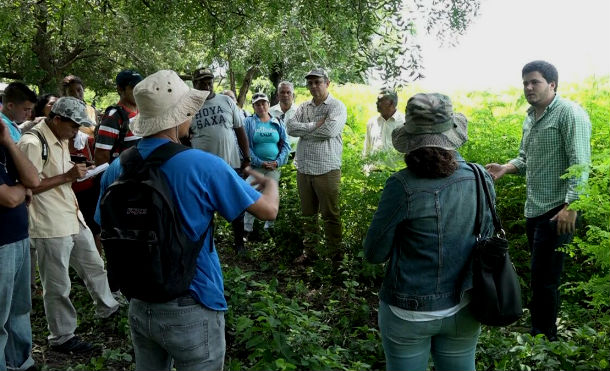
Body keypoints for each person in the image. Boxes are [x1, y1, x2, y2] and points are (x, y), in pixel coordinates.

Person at [95, 69, 279, 371]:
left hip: (139, 303)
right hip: (193, 303)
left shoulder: (118, 168)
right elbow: (268, 211)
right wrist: (271, 184)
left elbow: (104, 229)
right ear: (180, 115)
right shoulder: (203, 165)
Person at [364, 93, 493, 371]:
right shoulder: (480, 176)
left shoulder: (401, 185)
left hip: (408, 310)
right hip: (466, 303)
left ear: (410, 139)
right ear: (451, 133)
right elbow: (487, 239)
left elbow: (374, 253)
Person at [485, 60, 591, 341]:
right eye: (525, 83)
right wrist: (507, 168)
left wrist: (572, 206)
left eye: (535, 82)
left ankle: (544, 337)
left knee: (545, 279)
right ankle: (541, 329)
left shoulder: (569, 114)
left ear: (552, 84)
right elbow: (526, 158)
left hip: (558, 210)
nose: (529, 87)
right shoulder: (530, 116)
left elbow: (580, 164)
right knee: (540, 275)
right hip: (534, 208)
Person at [17, 97, 119, 354]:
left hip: (71, 215)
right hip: (49, 222)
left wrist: (78, 171)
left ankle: (109, 308)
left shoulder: (60, 138)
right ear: (57, 119)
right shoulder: (32, 143)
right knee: (58, 284)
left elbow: (56, 176)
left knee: (94, 264)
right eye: (73, 126)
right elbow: (28, 186)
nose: (76, 132)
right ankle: (62, 336)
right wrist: (68, 176)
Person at [286, 68, 346, 264]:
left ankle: (335, 256)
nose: (313, 86)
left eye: (317, 82)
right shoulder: (303, 107)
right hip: (304, 168)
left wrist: (305, 130)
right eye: (310, 83)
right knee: (308, 215)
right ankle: (310, 253)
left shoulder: (336, 107)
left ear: (327, 83)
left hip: (326, 169)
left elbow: (329, 130)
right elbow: (290, 128)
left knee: (330, 214)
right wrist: (313, 125)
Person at [191, 67, 252, 254]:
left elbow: (240, 130)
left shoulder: (226, 101)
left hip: (230, 164)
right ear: (195, 84)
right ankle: (207, 243)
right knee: (204, 206)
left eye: (209, 80)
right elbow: (185, 137)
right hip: (203, 169)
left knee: (236, 203)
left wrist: (247, 158)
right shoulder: (189, 107)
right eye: (202, 81)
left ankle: (239, 244)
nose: (207, 84)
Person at [1, 117, 40, 371]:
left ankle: (21, 363)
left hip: (17, 238)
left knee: (19, 309)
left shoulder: (5, 145)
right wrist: (21, 188)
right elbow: (8, 198)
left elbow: (34, 179)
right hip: (1, 244)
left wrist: (8, 141)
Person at [243, 92, 290, 239]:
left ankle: (270, 228)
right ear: (253, 106)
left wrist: (277, 162)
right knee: (250, 195)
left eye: (263, 103)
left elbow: (286, 146)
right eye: (257, 104)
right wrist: (259, 162)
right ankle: (247, 230)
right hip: (256, 167)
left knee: (272, 197)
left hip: (273, 167)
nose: (261, 106)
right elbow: (245, 146)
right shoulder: (249, 122)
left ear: (268, 105)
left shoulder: (277, 121)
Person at [94, 69, 143, 165]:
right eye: (133, 87)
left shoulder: (142, 113)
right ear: (120, 89)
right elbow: (101, 155)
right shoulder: (113, 117)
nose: (138, 91)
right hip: (121, 176)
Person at [362, 89, 404, 157]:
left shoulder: (404, 122)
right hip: (374, 167)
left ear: (391, 103)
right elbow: (367, 148)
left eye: (380, 100)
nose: (376, 103)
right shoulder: (372, 122)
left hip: (396, 167)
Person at [269, 81, 298, 154]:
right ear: (277, 95)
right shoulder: (269, 112)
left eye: (288, 92)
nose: (285, 95)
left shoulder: (301, 111)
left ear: (293, 95)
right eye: (282, 92)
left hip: (295, 153)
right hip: (274, 152)